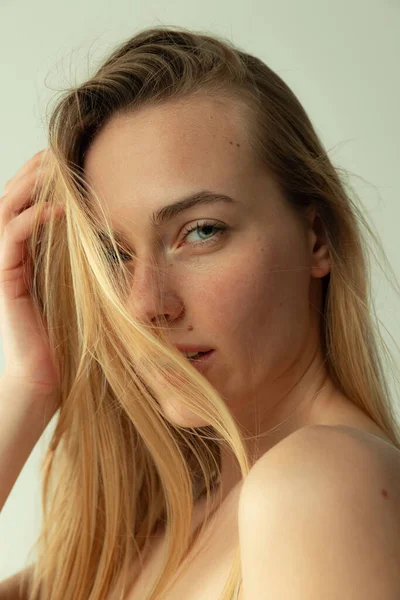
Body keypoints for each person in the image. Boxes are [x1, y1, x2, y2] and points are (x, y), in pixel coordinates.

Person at [0, 25, 399, 600]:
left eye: (200, 232)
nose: (144, 304)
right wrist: (30, 383)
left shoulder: (321, 484)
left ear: (316, 237)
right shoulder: (150, 543)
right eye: (115, 254)